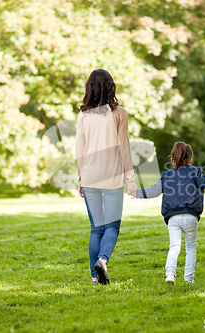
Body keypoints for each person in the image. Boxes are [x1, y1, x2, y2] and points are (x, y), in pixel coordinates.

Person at [133, 142, 205, 285]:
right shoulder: (196, 172)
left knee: (174, 247)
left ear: (173, 158)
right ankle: (189, 278)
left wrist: (137, 193)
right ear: (190, 159)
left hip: (172, 217)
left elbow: (153, 191)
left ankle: (170, 275)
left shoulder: (167, 175)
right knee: (191, 247)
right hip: (191, 215)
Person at [75, 69, 137, 285]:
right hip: (112, 178)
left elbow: (79, 152)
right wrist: (131, 179)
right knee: (112, 227)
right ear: (111, 87)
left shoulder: (83, 115)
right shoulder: (119, 113)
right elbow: (124, 148)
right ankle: (102, 260)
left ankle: (94, 278)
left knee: (96, 228)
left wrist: (81, 178)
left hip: (90, 177)